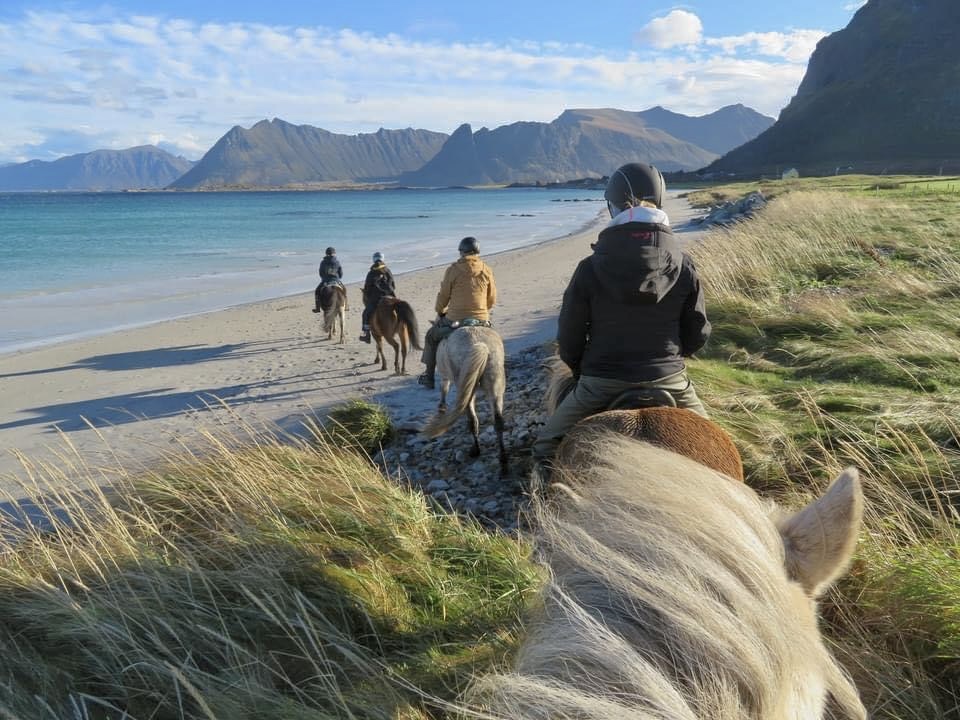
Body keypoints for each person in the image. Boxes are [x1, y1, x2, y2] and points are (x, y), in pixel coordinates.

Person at [531, 162, 711, 468]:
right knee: (719, 450)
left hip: (602, 380)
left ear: (613, 205)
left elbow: (569, 336)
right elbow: (698, 332)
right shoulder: (684, 265)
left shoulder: (590, 267)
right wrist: (673, 358)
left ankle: (543, 499)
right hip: (669, 379)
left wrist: (581, 371)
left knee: (547, 447)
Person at [417, 236, 497, 389]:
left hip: (456, 319)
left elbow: (443, 296)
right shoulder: (487, 270)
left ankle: (429, 376)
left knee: (431, 335)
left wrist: (440, 311)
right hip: (481, 319)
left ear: (461, 252)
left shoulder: (453, 270)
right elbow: (492, 298)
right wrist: (481, 311)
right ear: (477, 252)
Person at [358, 251, 396, 343]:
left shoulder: (371, 272)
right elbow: (393, 285)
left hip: (376, 298)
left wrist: (370, 294)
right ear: (383, 259)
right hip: (389, 295)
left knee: (366, 313)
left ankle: (366, 334)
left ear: (373, 260)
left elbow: (367, 287)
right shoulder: (387, 270)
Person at [313, 246, 343, 313]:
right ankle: (346, 305)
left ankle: (317, 308)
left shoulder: (323, 262)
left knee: (317, 291)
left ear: (326, 254)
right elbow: (341, 273)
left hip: (326, 281)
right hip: (336, 280)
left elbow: (320, 273)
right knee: (344, 290)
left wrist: (324, 278)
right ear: (334, 253)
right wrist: (338, 278)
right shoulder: (337, 262)